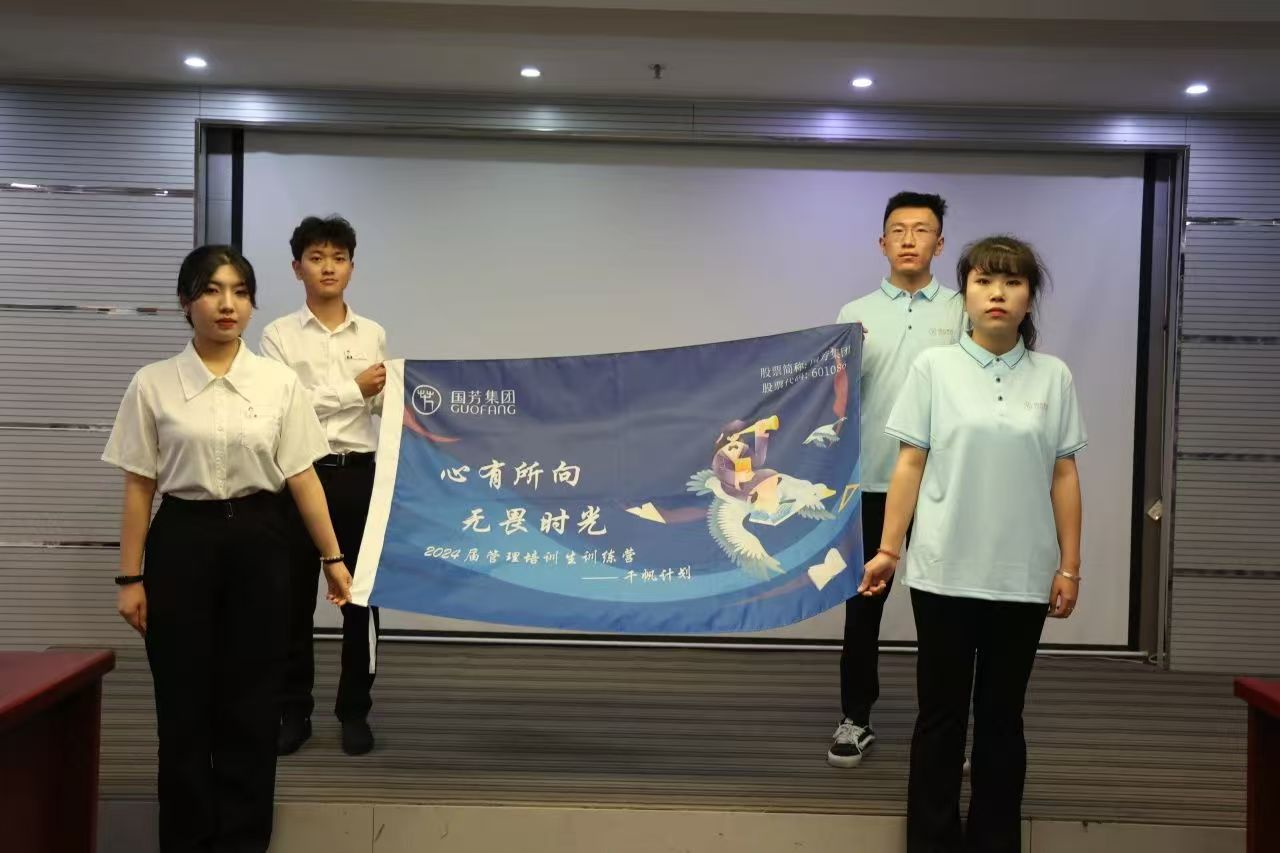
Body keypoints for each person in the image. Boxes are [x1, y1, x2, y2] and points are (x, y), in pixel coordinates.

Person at [104, 244, 353, 853]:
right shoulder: (153, 384)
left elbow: (302, 477)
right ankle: (187, 837)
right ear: (186, 301)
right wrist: (129, 578)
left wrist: (333, 558)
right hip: (183, 540)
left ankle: (243, 838)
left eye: (240, 292)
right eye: (212, 290)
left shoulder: (277, 383)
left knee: (253, 698)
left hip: (261, 541)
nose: (227, 304)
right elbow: (139, 485)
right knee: (182, 700)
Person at [860, 235, 1086, 853]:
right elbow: (909, 464)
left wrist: (1070, 567)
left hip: (1022, 574)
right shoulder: (934, 369)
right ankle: (932, 840)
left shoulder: (1054, 375)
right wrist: (889, 550)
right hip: (943, 573)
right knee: (940, 716)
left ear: (1029, 298)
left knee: (1002, 718)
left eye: (1012, 282)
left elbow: (1064, 474)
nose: (997, 293)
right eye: (984, 281)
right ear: (964, 294)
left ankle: (994, 839)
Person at [828, 191, 964, 767]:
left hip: (944, 486)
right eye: (899, 230)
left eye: (922, 229)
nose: (910, 240)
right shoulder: (853, 314)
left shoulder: (964, 310)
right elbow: (835, 400)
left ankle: (948, 729)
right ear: (882, 242)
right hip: (871, 482)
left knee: (948, 614)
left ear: (941, 243)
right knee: (863, 611)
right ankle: (855, 718)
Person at [261, 215, 388, 757]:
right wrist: (353, 390)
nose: (328, 267)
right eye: (316, 258)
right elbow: (282, 408)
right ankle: (294, 712)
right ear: (298, 268)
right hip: (298, 476)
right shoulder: (278, 335)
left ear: (352, 268)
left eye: (338, 258)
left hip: (359, 474)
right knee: (291, 599)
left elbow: (377, 406)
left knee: (361, 599)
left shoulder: (373, 333)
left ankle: (355, 711)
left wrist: (399, 395)